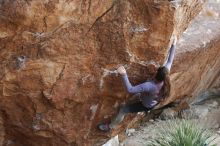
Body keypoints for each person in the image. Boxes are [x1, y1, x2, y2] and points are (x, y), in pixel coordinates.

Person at [98, 36, 178, 132]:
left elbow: (130, 89)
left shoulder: (150, 86)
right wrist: (174, 44)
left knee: (123, 109)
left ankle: (110, 127)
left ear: (156, 73)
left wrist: (123, 74)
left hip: (145, 104)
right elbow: (170, 61)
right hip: (152, 100)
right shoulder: (166, 75)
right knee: (136, 96)